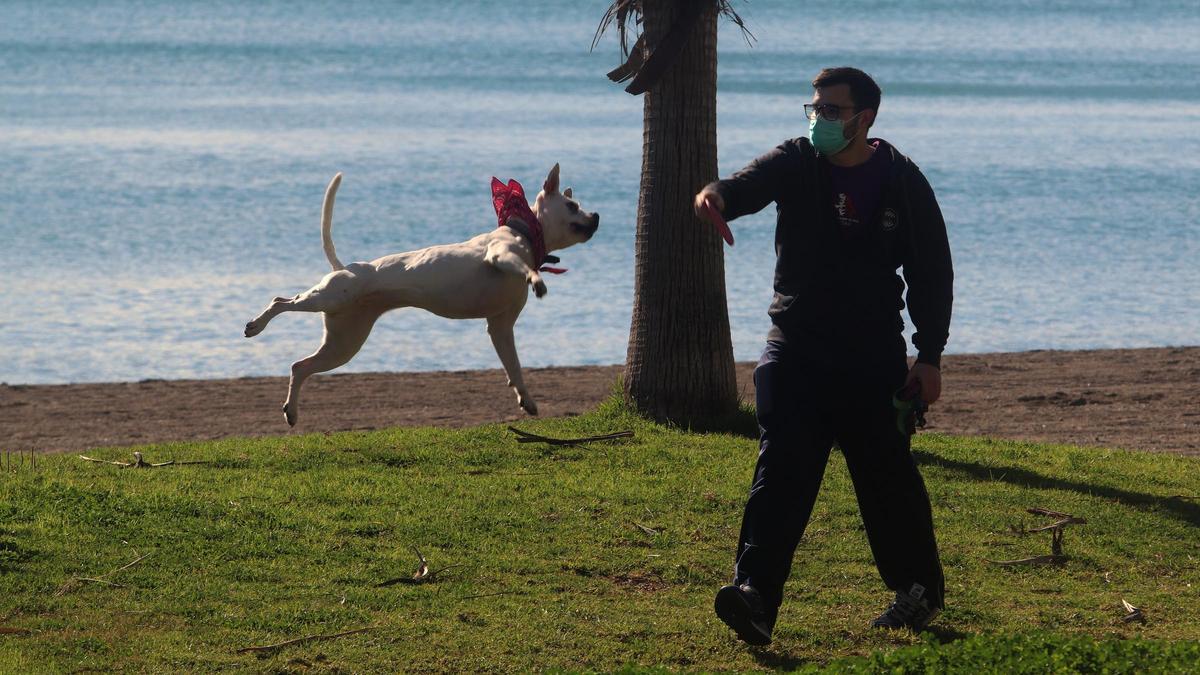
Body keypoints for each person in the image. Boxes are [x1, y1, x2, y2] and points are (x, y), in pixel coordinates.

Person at [694, 67, 953, 645]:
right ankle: (754, 595)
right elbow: (744, 185)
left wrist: (929, 354)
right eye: (813, 109)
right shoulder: (796, 160)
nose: (819, 119)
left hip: (871, 357)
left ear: (865, 119)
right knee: (781, 468)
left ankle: (917, 592)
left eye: (832, 111)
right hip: (796, 350)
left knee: (887, 479)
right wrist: (717, 196)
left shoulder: (901, 180)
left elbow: (931, 270)